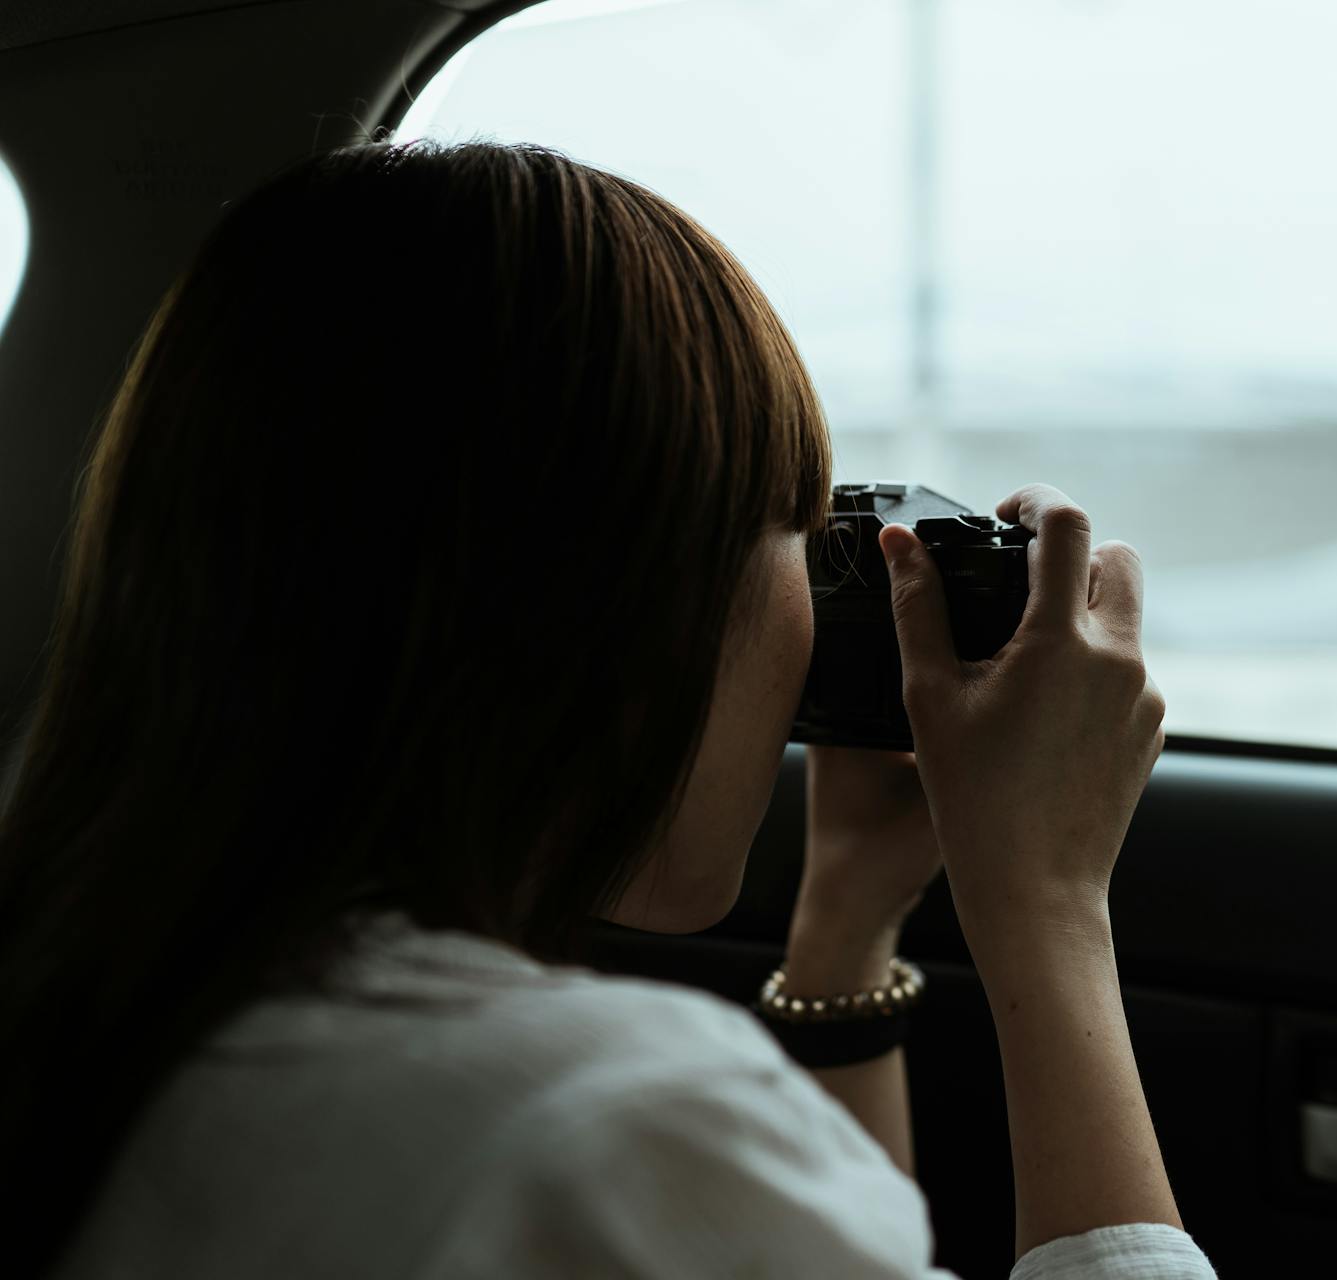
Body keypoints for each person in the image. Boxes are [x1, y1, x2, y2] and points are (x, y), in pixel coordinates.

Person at [0, 139, 1212, 1278]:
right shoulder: (589, 1120)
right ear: (620, 598)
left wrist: (845, 921)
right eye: (793, 529)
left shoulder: (112, 987)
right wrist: (1048, 907)